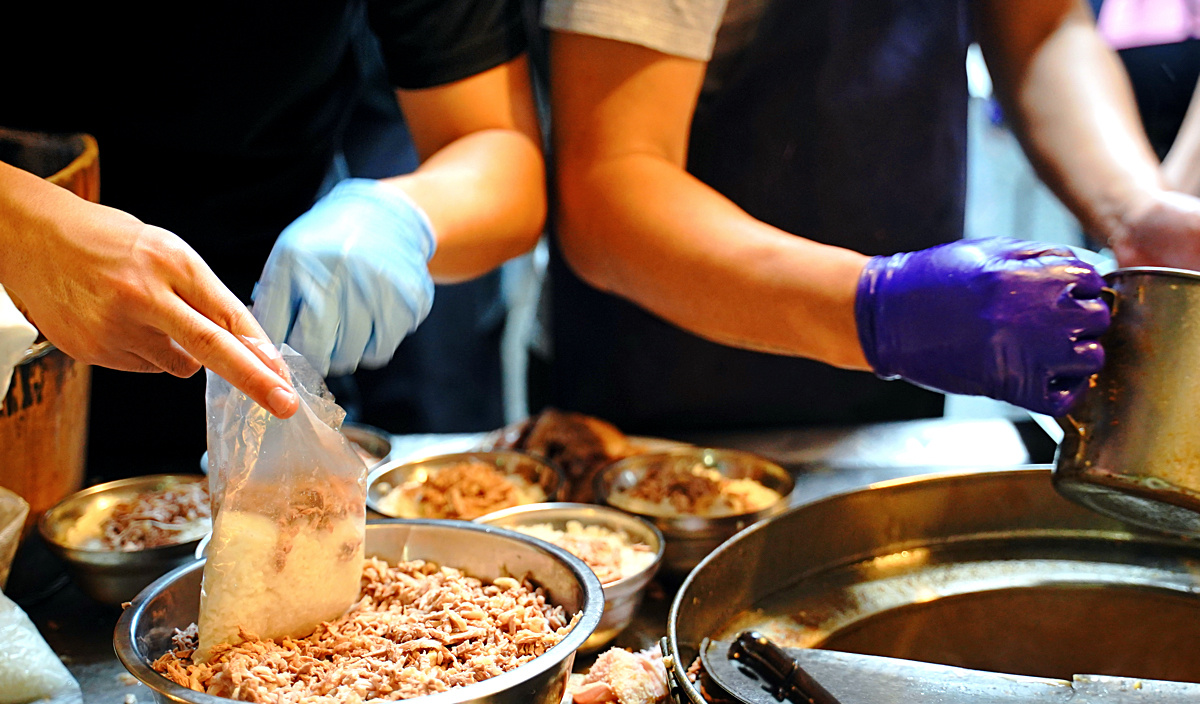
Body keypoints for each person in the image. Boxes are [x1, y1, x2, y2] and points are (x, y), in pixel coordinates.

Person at [534, 0, 1200, 435]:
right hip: (665, 400)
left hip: (889, 397)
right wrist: (881, 307)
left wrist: (1133, 209)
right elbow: (609, 185)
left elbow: (1042, 26)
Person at [0, 2, 544, 478]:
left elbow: (497, 153)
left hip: (282, 320)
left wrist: (405, 215)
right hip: (22, 349)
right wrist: (19, 229)